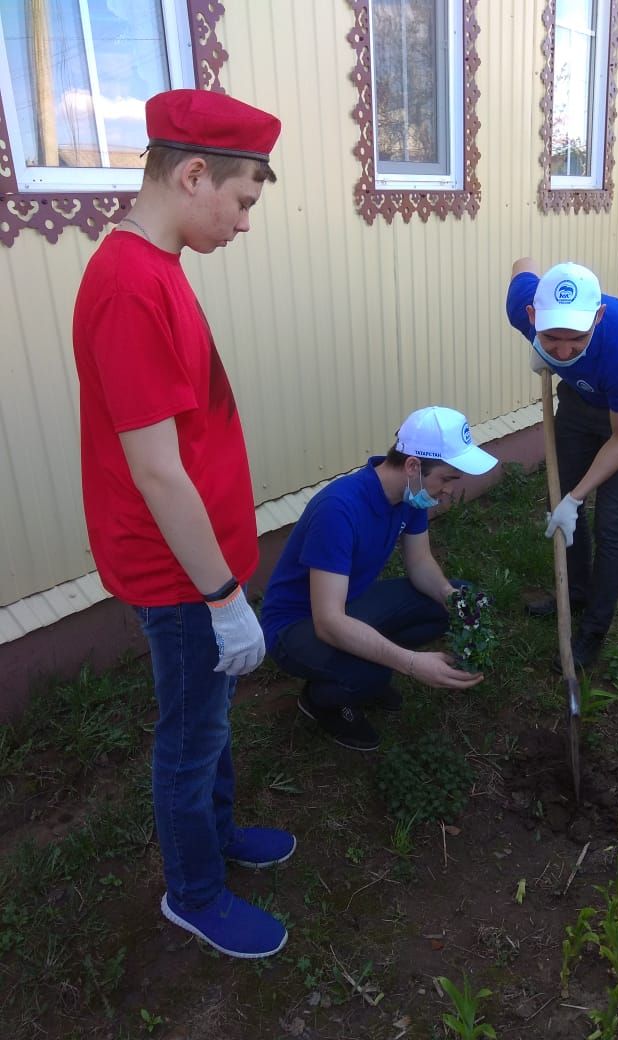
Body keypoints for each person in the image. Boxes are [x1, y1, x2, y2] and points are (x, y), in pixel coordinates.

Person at [72, 89, 294, 960]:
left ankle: (221, 832)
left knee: (213, 713)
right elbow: (157, 469)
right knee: (190, 733)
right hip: (179, 577)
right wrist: (221, 595)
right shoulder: (130, 287)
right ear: (194, 173)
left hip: (206, 568)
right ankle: (193, 891)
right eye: (241, 200)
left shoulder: (159, 270)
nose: (244, 223)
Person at [261, 406, 498, 751]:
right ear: (414, 466)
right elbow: (327, 622)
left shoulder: (412, 494)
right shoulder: (339, 509)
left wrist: (450, 597)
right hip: (298, 625)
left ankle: (364, 661)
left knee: (460, 597)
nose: (448, 491)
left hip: (348, 603)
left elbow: (419, 564)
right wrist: (412, 663)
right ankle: (320, 699)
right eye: (447, 478)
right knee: (374, 673)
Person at [506, 259, 618, 669]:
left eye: (576, 339)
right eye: (551, 337)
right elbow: (522, 265)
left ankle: (595, 628)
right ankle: (574, 593)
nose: (562, 350)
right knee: (558, 496)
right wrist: (539, 348)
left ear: (597, 316)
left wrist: (576, 498)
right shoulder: (524, 307)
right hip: (580, 401)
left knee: (610, 519)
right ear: (532, 315)